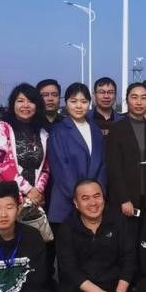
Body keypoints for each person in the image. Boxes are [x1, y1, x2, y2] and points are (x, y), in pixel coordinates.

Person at [55, 179, 135, 292]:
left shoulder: (118, 221)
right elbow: (69, 268)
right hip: (82, 284)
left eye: (97, 196)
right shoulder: (67, 228)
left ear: (103, 198)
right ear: (76, 203)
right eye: (85, 198)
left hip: (111, 281)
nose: (93, 202)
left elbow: (129, 259)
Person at [47, 83, 107, 224]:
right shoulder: (58, 131)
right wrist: (81, 198)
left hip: (94, 204)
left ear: (89, 103)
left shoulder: (95, 130)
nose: (79, 106)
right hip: (67, 202)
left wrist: (96, 195)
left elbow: (103, 165)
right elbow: (61, 169)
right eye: (73, 101)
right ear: (66, 103)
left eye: (84, 101)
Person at [0, 83, 50, 206]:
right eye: (20, 101)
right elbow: (1, 164)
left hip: (34, 200)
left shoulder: (43, 132)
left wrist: (38, 190)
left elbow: (46, 167)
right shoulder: (1, 128)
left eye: (31, 101)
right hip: (8, 197)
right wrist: (28, 190)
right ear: (13, 104)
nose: (25, 105)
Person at [107, 82, 146, 218]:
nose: (139, 102)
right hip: (126, 198)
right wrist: (123, 199)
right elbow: (114, 168)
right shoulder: (116, 129)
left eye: (144, 97)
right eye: (134, 97)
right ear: (127, 99)